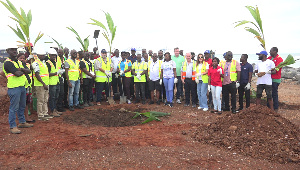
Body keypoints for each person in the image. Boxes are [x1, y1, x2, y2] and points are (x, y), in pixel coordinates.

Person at [3, 48, 33, 134]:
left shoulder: (19, 62)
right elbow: (17, 74)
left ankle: (22, 122)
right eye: (12, 50)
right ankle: (12, 126)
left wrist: (21, 69)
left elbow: (28, 71)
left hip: (22, 87)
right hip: (14, 88)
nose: (14, 51)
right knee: (14, 108)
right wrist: (22, 70)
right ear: (7, 51)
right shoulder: (7, 63)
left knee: (22, 106)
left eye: (15, 50)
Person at [32, 50, 53, 120]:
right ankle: (40, 115)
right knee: (40, 100)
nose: (43, 56)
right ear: (38, 55)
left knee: (45, 99)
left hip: (46, 84)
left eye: (44, 55)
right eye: (41, 55)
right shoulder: (35, 63)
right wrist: (43, 84)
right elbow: (37, 75)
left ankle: (45, 113)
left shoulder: (43, 63)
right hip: (40, 84)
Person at [16, 53, 35, 123]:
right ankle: (22, 118)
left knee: (26, 103)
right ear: (17, 59)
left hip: (28, 86)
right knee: (21, 103)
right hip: (21, 87)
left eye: (23, 58)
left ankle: (26, 117)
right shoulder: (16, 66)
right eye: (20, 58)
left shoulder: (28, 66)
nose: (22, 59)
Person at [46, 48, 63, 117]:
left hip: (57, 81)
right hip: (52, 83)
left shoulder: (55, 63)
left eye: (54, 55)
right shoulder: (48, 63)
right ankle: (52, 110)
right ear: (49, 55)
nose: (54, 56)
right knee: (52, 97)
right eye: (52, 55)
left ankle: (55, 109)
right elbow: (47, 74)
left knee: (56, 97)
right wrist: (56, 73)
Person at [267, 47, 283, 112]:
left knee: (274, 93)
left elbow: (276, 69)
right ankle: (268, 107)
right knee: (269, 93)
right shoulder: (270, 58)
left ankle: (276, 107)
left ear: (275, 51)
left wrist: (269, 71)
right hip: (269, 79)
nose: (269, 52)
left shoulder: (279, 59)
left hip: (275, 79)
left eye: (271, 51)